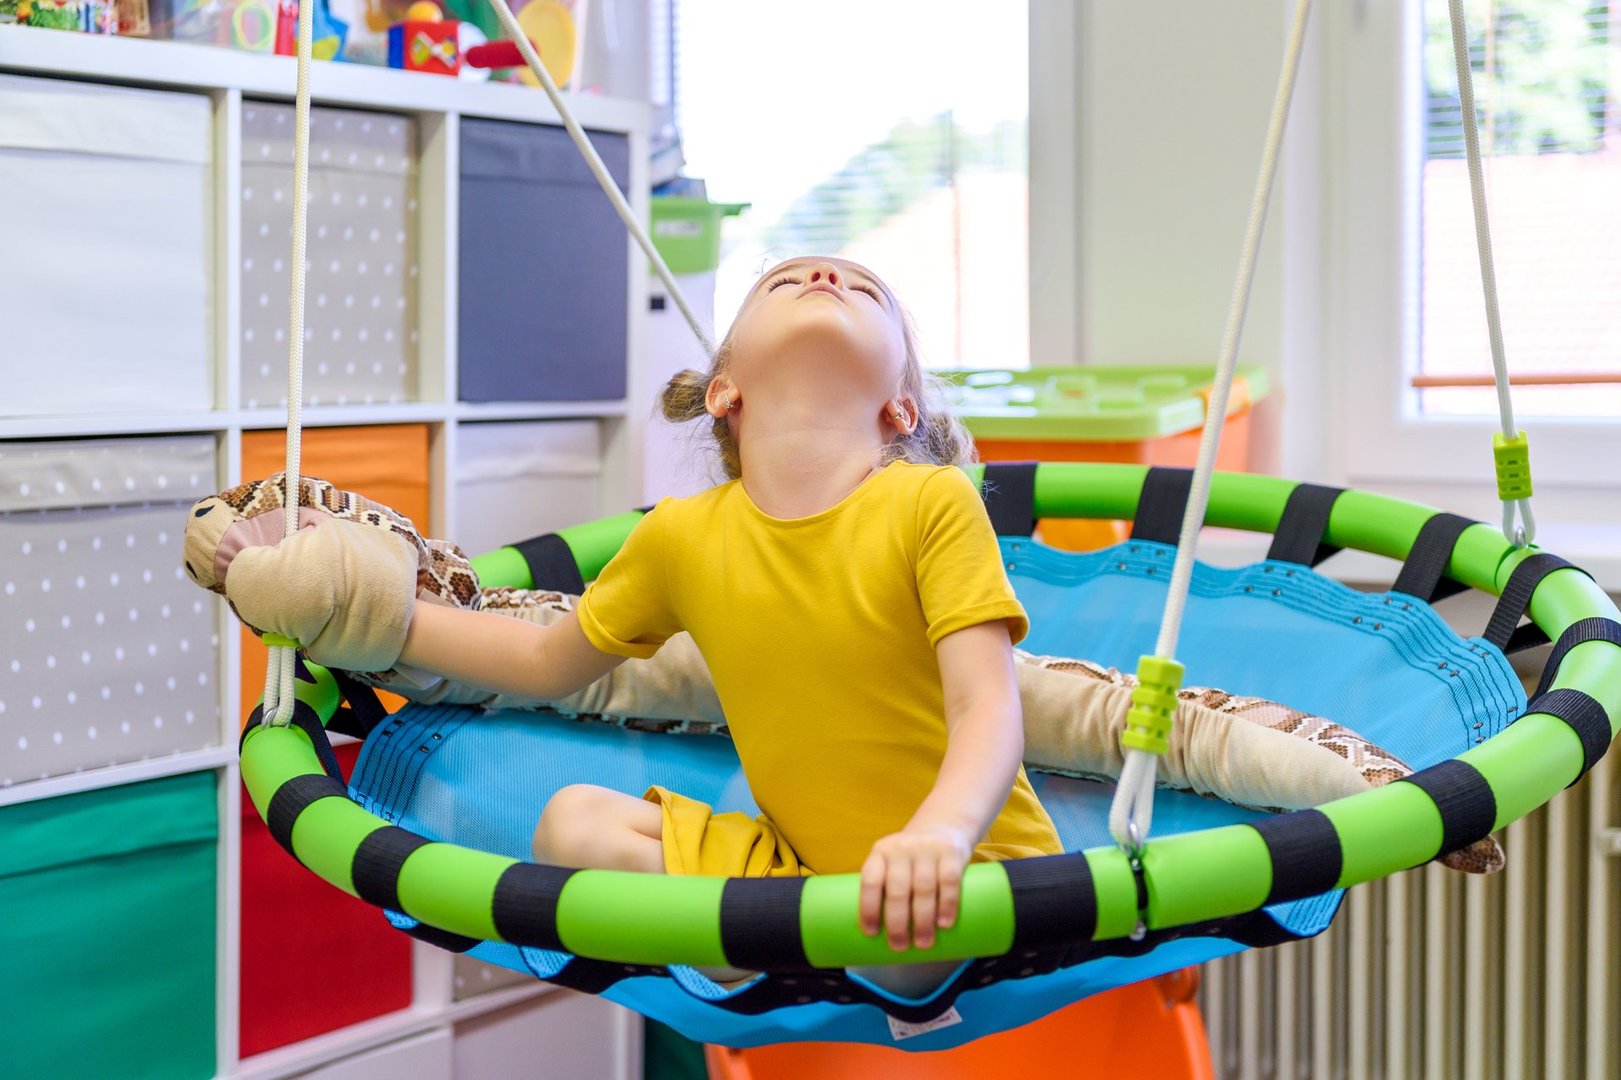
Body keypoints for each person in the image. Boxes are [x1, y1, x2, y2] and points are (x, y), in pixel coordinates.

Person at [229, 256, 1063, 959]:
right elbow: (540, 663)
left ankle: (823, 952)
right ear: (723, 389)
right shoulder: (683, 536)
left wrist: (941, 838)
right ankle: (795, 959)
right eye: (785, 281)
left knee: (912, 935)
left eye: (862, 288)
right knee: (573, 826)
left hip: (979, 880)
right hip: (805, 888)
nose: (821, 274)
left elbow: (985, 705)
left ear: (901, 409)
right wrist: (363, 612)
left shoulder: (932, 503)